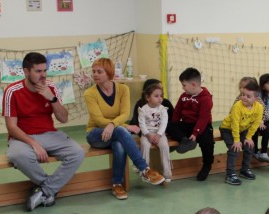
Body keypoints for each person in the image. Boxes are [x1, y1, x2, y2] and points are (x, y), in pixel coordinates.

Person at [4, 52, 85, 211]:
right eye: (38, 71)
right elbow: (11, 127)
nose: (43, 75)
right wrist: (33, 143)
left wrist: (52, 98)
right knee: (17, 155)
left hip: (50, 134)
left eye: (45, 70)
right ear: (26, 72)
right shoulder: (12, 91)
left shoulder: (51, 88)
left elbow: (63, 119)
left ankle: (44, 191)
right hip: (23, 137)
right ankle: (49, 190)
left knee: (77, 152)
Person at [84, 58, 165, 200]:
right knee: (122, 131)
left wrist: (112, 125)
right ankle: (144, 169)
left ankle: (117, 185)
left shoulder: (123, 89)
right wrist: (124, 126)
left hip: (115, 133)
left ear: (109, 73)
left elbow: (125, 114)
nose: (95, 74)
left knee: (119, 144)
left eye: (99, 72)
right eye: (94, 71)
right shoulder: (89, 93)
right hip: (96, 134)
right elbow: (98, 120)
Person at [167, 67, 215, 181]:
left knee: (207, 141)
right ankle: (185, 141)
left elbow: (203, 118)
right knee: (169, 126)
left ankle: (207, 165)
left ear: (193, 85)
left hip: (202, 126)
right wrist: (174, 126)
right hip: (186, 124)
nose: (182, 87)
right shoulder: (184, 96)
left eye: (184, 85)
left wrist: (195, 133)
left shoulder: (206, 98)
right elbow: (177, 112)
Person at [220, 78, 263, 185]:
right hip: (228, 129)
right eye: (243, 94)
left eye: (248, 96)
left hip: (242, 129)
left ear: (256, 98)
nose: (244, 97)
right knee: (234, 149)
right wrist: (236, 140)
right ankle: (230, 174)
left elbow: (256, 123)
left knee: (249, 146)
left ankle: (244, 170)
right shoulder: (237, 106)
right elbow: (234, 124)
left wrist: (248, 137)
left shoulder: (259, 107)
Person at [137, 82, 173, 182]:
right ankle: (144, 171)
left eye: (161, 96)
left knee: (164, 146)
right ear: (148, 98)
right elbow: (142, 124)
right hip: (147, 134)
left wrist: (159, 135)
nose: (160, 98)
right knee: (144, 145)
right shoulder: (143, 110)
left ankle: (167, 173)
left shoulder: (163, 109)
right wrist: (148, 135)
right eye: (156, 96)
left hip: (159, 134)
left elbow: (164, 123)